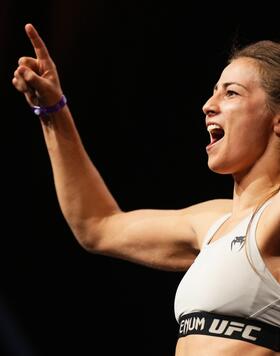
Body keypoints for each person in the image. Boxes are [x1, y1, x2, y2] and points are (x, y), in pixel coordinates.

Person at [12, 23, 279, 355]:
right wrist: (53, 111)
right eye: (214, 91)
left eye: (232, 92)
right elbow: (97, 225)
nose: (208, 105)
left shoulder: (274, 217)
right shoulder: (211, 223)